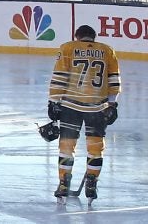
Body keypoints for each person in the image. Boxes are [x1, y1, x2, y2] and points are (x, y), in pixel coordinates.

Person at [47, 24, 121, 201]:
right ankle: (92, 183)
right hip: (98, 108)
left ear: (77, 36)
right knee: (95, 149)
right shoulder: (107, 50)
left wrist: (54, 102)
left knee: (66, 147)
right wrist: (112, 105)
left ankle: (64, 183)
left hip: (71, 107)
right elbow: (114, 79)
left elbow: (60, 76)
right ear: (93, 38)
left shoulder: (68, 48)